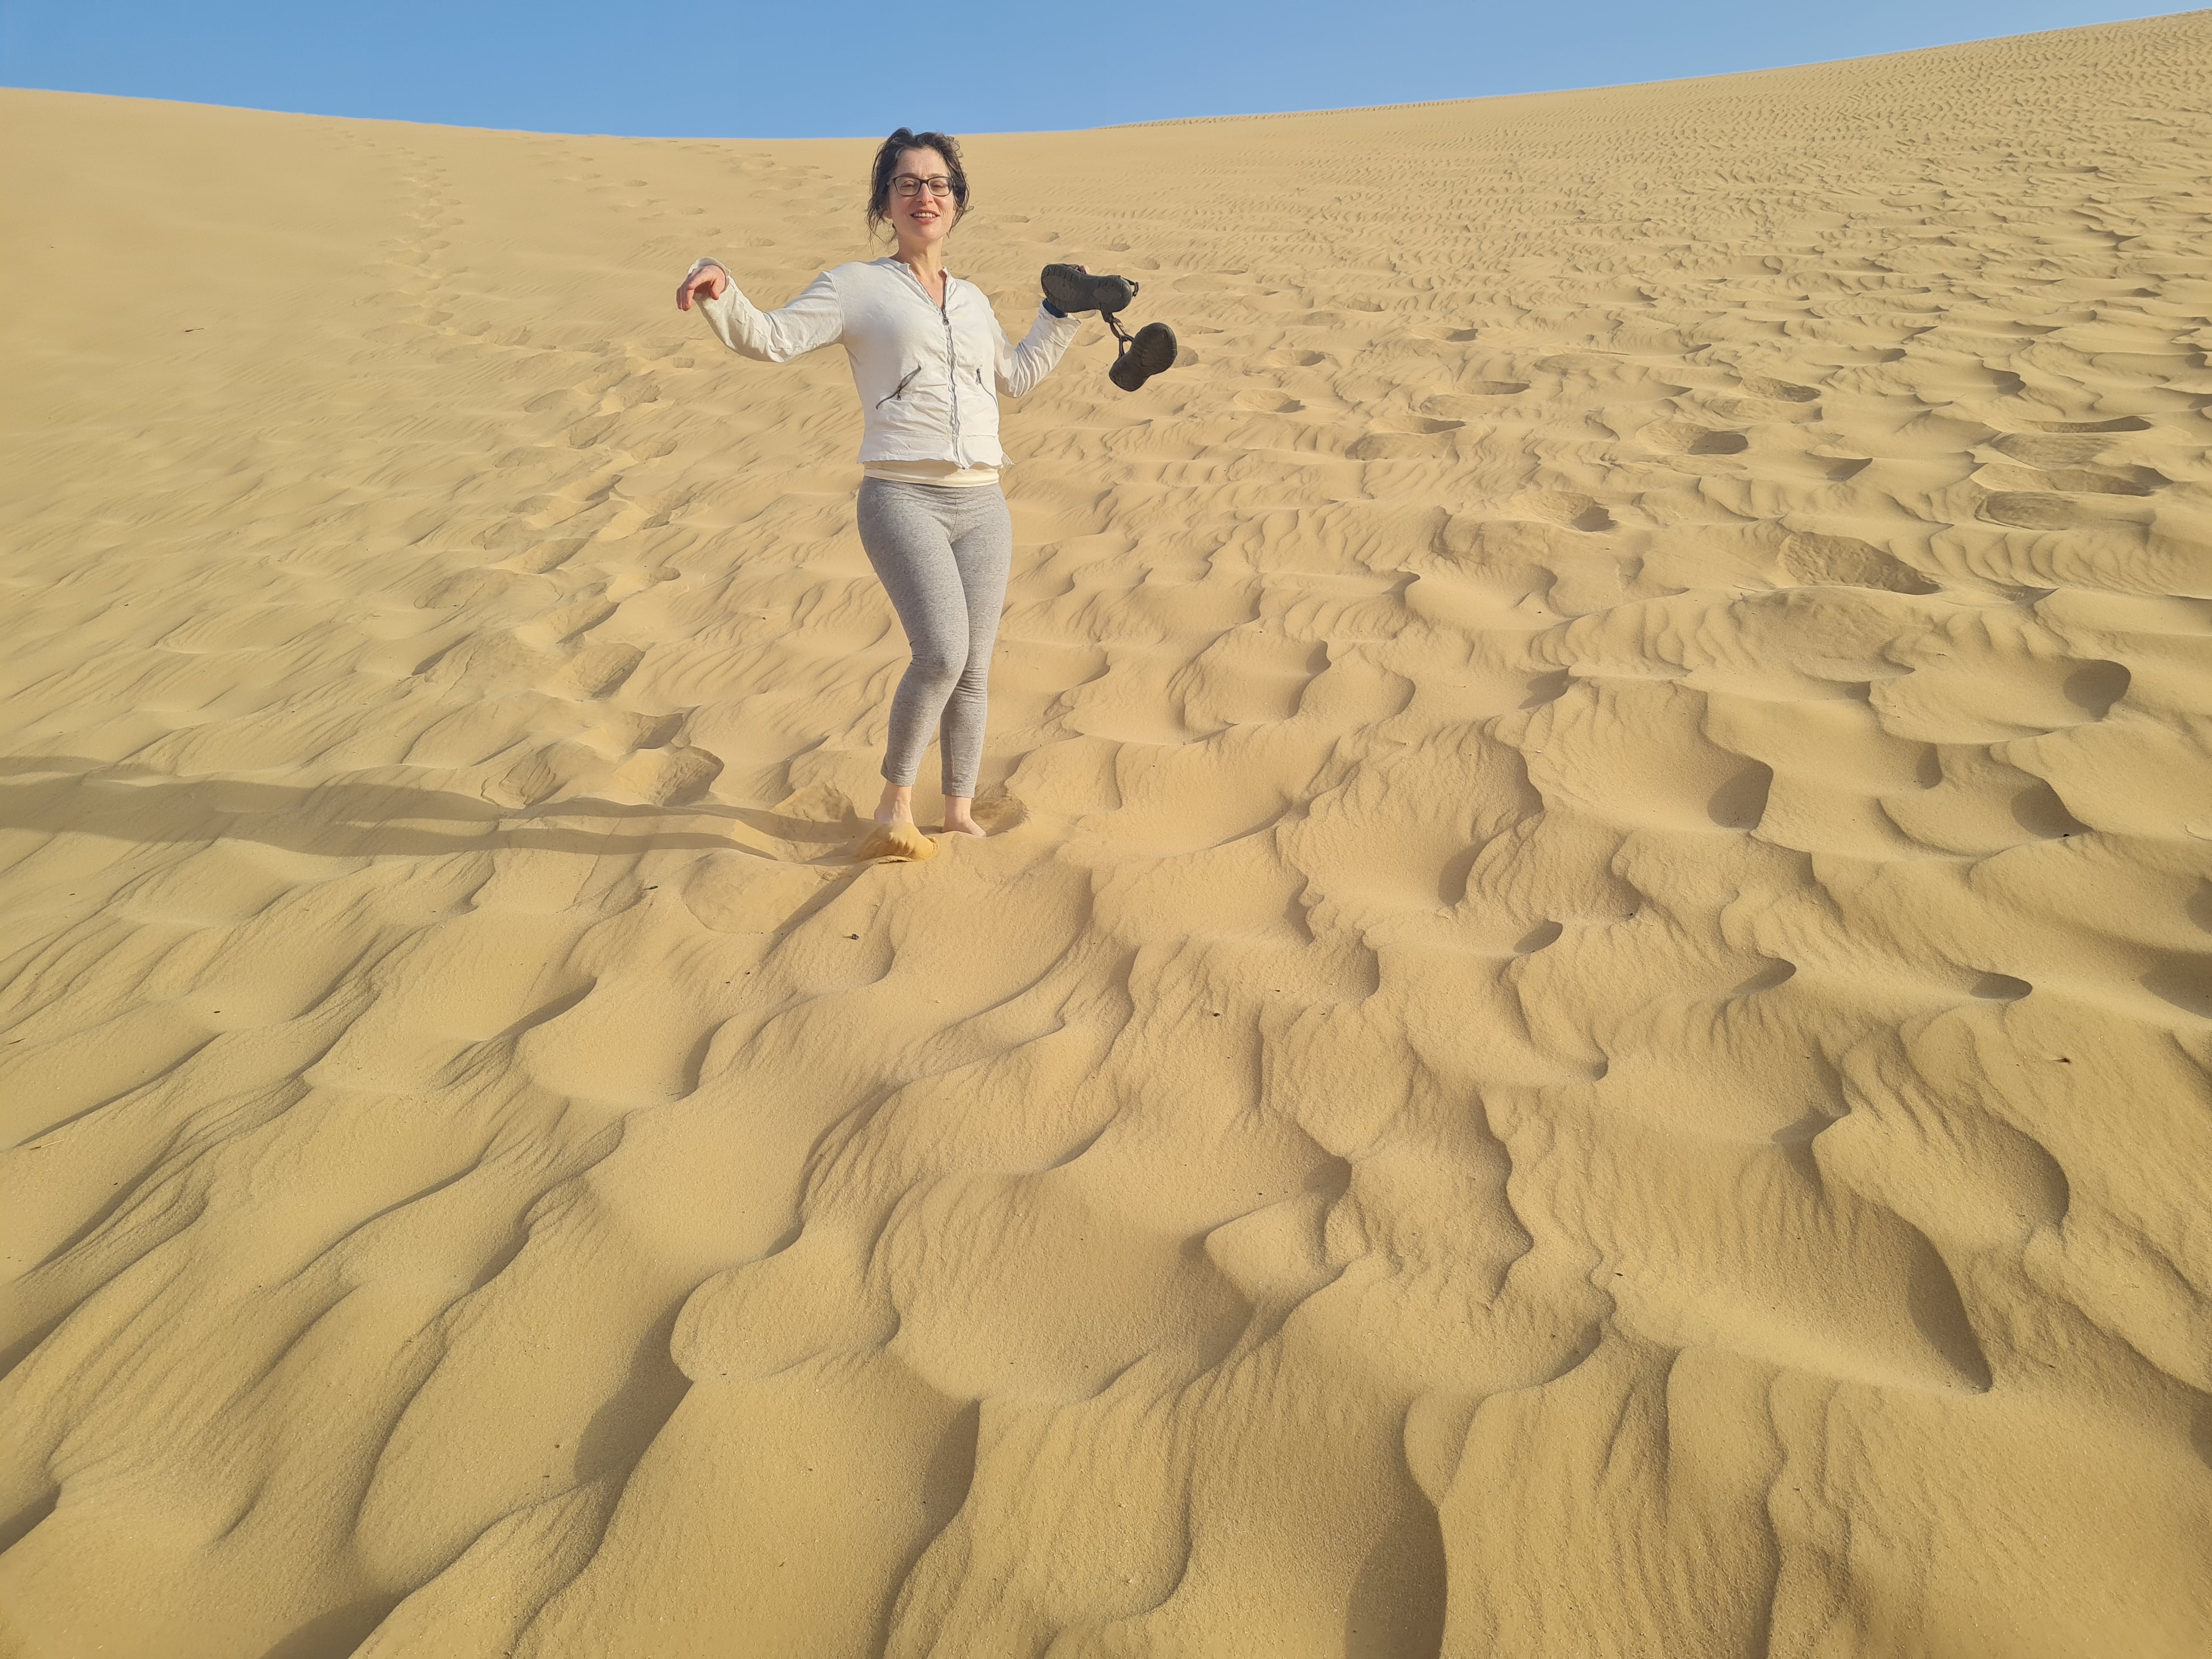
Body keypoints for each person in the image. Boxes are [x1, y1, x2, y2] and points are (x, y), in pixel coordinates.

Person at [675, 126, 1093, 859]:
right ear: (885, 203)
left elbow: (1015, 377)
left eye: (938, 184)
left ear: (956, 202)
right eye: (907, 184)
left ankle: (957, 811)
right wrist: (722, 289)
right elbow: (770, 338)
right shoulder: (855, 287)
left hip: (984, 503)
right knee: (941, 654)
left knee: (974, 669)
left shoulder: (971, 300)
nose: (924, 196)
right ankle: (894, 805)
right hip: (903, 499)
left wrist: (1060, 315)